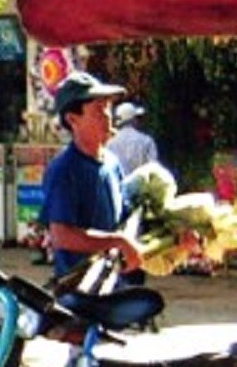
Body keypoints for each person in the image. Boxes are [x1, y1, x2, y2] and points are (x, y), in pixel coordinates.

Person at [40, 71, 143, 279]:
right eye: (98, 110)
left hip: (114, 284)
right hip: (81, 292)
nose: (107, 116)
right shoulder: (64, 170)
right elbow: (62, 236)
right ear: (72, 119)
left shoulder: (112, 163)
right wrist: (117, 241)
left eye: (108, 107)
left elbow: (126, 219)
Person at [105, 100, 159, 176]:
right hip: (141, 186)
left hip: (117, 186)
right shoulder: (147, 141)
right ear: (133, 119)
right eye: (137, 118)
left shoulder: (109, 143)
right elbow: (154, 170)